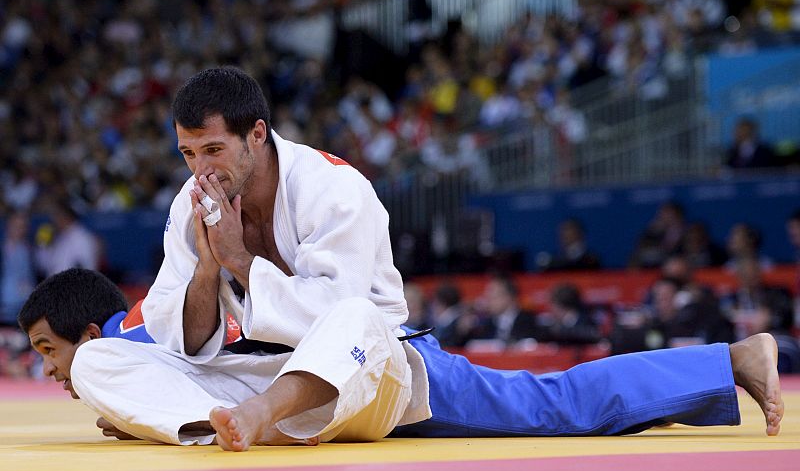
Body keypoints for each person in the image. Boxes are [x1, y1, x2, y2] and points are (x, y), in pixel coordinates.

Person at [25, 67, 782, 451]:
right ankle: (210, 426)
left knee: (556, 408)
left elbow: (341, 318)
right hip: (257, 382)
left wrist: (245, 267)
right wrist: (201, 267)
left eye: (215, 149)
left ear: (258, 134)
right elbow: (174, 336)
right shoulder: (188, 205)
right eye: (189, 153)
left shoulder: (336, 190)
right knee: (97, 364)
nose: (202, 170)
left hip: (375, 372)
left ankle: (731, 361)